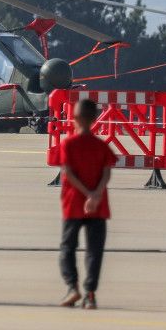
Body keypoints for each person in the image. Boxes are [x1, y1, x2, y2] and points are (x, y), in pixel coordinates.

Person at [57, 98, 116, 310]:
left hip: (74, 204)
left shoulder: (68, 144)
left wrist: (86, 194)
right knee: (94, 251)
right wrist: (96, 195)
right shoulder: (101, 146)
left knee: (67, 248)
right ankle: (90, 294)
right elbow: (107, 172)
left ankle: (72, 288)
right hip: (98, 207)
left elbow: (68, 173)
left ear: (76, 118)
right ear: (93, 119)